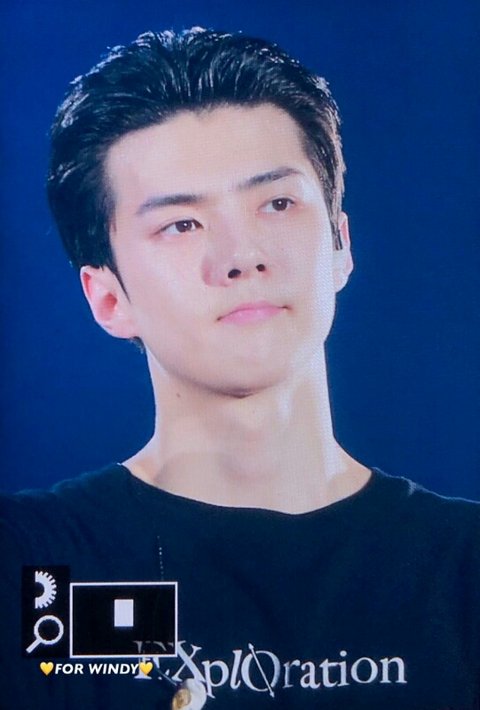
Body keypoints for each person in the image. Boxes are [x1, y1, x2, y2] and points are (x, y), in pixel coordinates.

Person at [1, 27, 479, 710]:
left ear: (340, 245)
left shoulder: (463, 568)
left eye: (276, 203)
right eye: (180, 224)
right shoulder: (34, 564)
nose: (241, 255)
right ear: (107, 298)